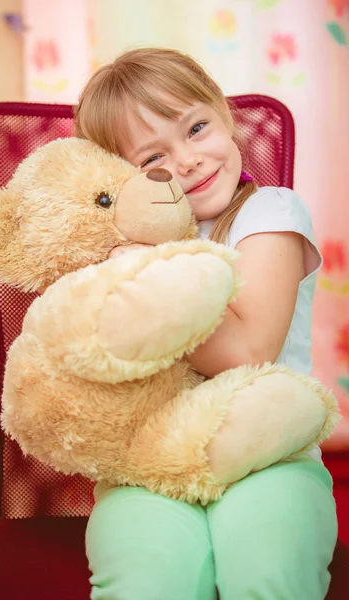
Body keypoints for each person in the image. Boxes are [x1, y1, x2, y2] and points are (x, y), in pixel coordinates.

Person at [74, 47, 337, 600]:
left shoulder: (270, 212)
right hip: (151, 469)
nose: (188, 159)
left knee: (267, 572)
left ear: (225, 115)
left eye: (196, 128)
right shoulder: (119, 249)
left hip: (271, 459)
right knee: (145, 579)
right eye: (154, 160)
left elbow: (250, 351)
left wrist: (145, 290)